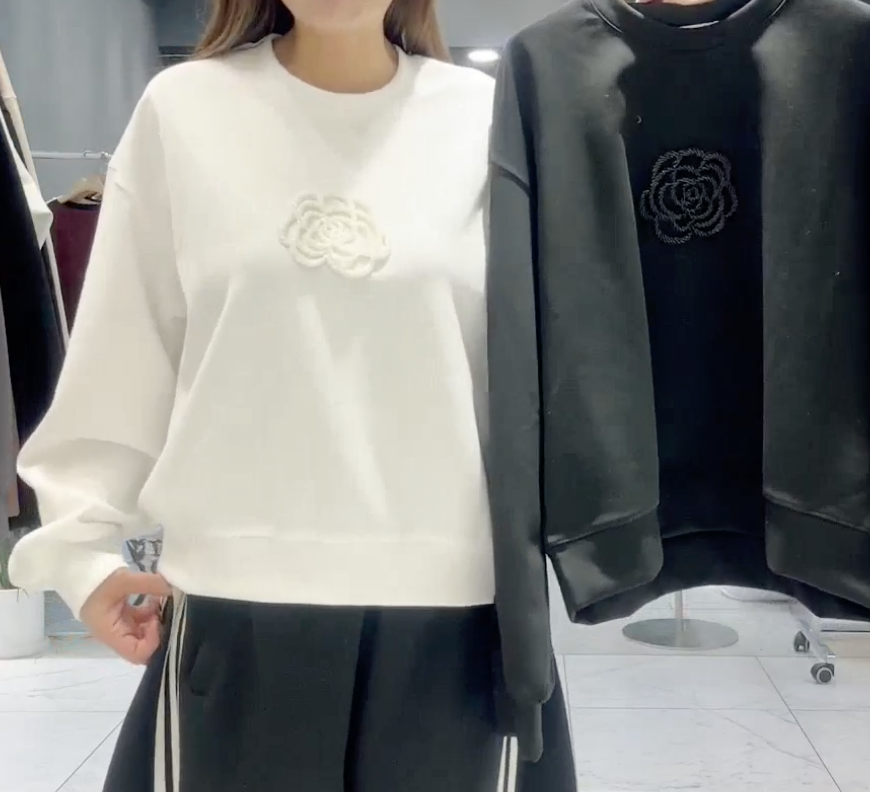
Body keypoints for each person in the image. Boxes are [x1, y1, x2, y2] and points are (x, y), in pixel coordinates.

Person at [8, 1, 576, 790]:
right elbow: (124, 349)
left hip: (457, 613)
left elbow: (551, 362)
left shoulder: (487, 116)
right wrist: (81, 549)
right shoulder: (186, 111)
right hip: (237, 604)